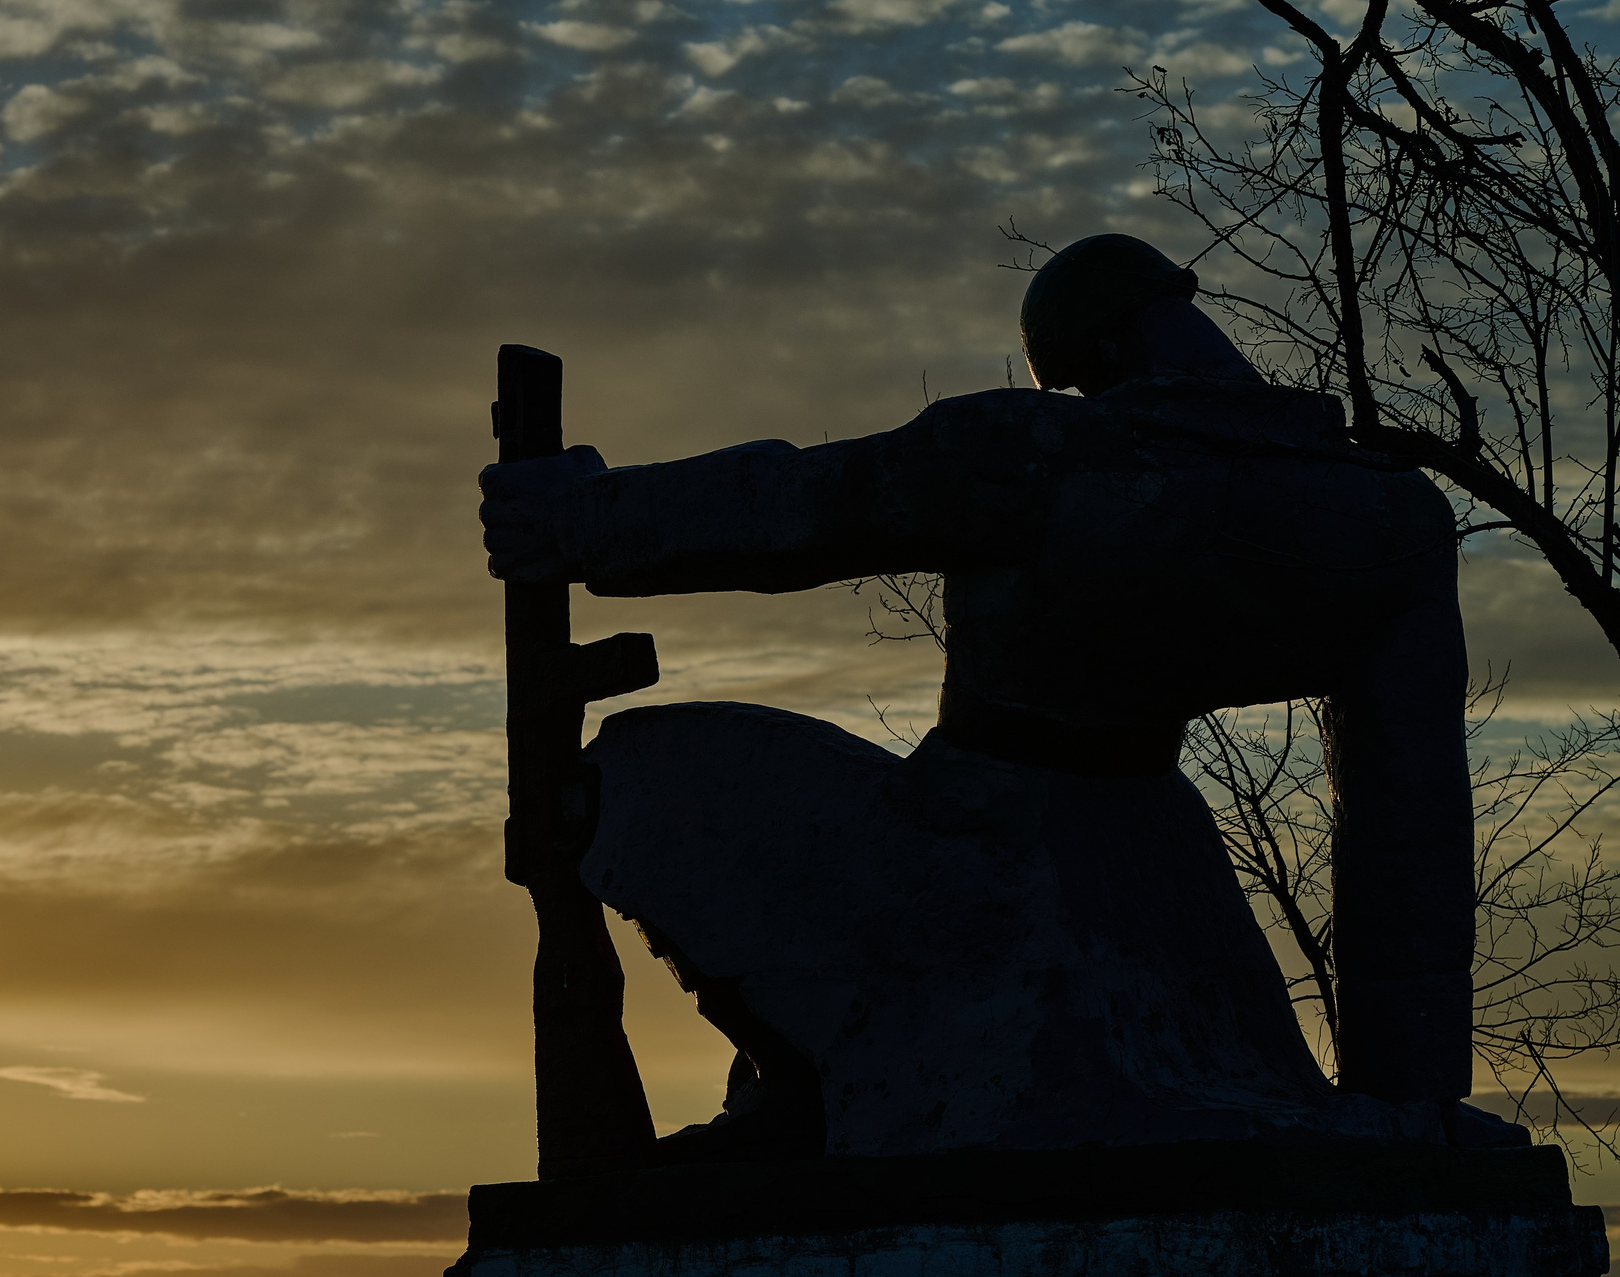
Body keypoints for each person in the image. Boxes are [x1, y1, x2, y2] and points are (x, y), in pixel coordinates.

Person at [479, 233, 1515, 1156]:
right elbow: (1406, 830)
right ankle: (801, 1091)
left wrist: (577, 518)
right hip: (1164, 882)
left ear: (1097, 360)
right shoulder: (1383, 519)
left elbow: (800, 505)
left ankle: (811, 1089)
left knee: (641, 771)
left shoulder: (1040, 453)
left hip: (983, 839)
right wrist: (1408, 1097)